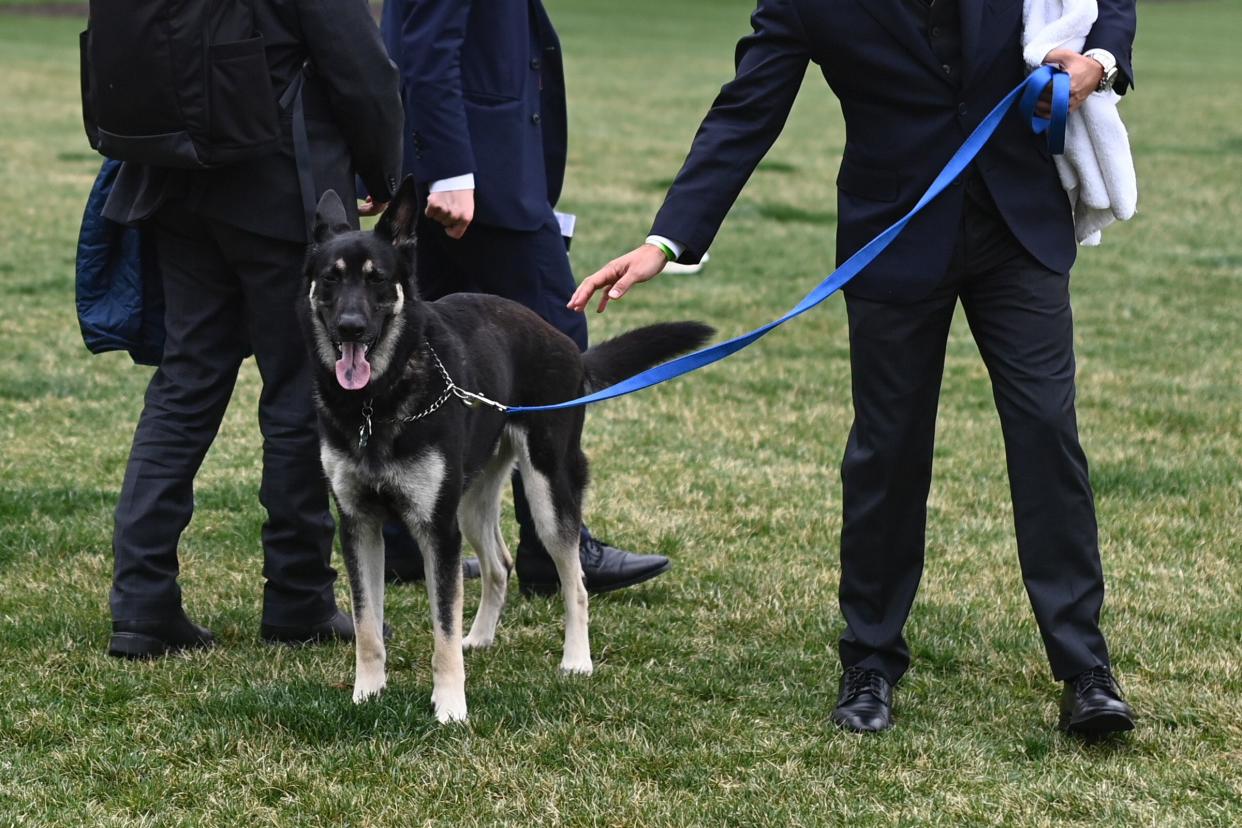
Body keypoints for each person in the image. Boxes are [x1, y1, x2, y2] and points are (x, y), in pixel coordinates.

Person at [571, 0, 1137, 736]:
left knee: (1046, 434)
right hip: (894, 233)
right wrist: (668, 240)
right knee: (887, 449)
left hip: (1018, 226)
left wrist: (1102, 61)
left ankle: (1084, 667)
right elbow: (748, 108)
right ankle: (869, 660)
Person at [102, 0, 403, 658]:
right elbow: (361, 68)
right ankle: (298, 596)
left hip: (176, 182)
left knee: (185, 383)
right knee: (300, 391)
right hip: (281, 188)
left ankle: (142, 602)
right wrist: (383, 171)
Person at [377, 0, 671, 596]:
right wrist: (454, 170)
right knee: (557, 348)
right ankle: (552, 544)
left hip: (463, 164)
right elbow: (427, 41)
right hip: (478, 178)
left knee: (426, 347)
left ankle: (409, 536)